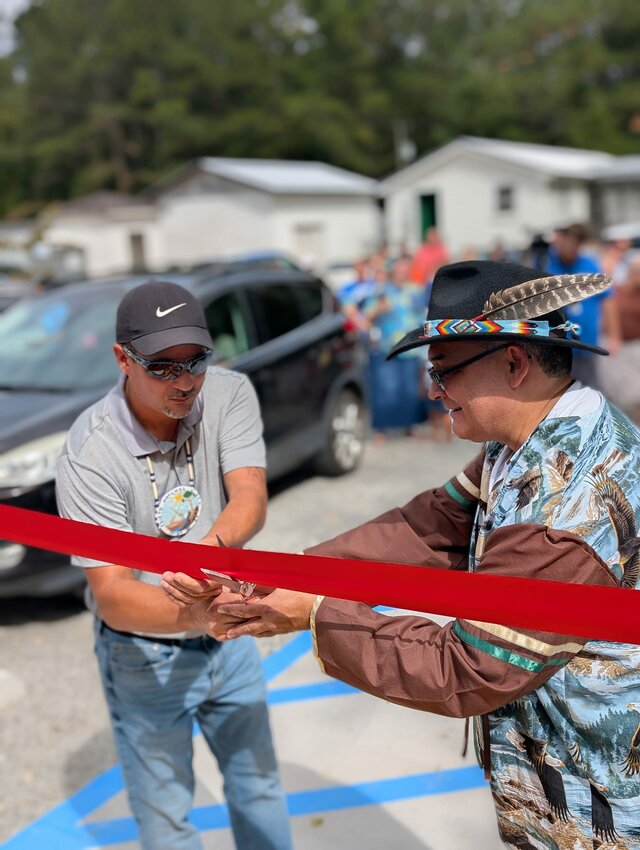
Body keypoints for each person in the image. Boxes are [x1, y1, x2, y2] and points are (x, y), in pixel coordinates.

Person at [163, 261, 640, 849]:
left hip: (605, 809)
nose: (432, 391)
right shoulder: (526, 443)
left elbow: (472, 666)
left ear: (515, 363)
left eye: (444, 372)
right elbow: (433, 528)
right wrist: (280, 577)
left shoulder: (572, 498)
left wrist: (315, 612)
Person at [55, 280, 292, 850]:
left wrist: (207, 563)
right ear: (121, 359)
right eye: (162, 367)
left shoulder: (230, 393)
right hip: (146, 655)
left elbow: (250, 500)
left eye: (196, 360)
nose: (184, 381)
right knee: (166, 818)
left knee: (258, 786)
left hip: (227, 633)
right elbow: (112, 594)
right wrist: (199, 615)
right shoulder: (90, 454)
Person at [547, 223, 622, 387]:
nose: (570, 248)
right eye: (566, 243)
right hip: (558, 343)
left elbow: (608, 300)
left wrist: (614, 336)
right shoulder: (548, 264)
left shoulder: (590, 265)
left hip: (587, 341)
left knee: (590, 388)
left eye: (575, 244)